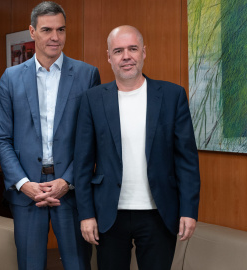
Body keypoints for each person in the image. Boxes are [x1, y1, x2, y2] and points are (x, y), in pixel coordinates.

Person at [74, 25, 201, 270]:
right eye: (118, 51)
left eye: (133, 49)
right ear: (109, 57)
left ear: (144, 52)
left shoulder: (172, 96)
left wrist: (189, 210)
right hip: (108, 215)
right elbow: (82, 163)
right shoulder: (92, 99)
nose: (126, 56)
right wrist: (86, 214)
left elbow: (186, 160)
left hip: (159, 214)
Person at [0, 2, 101, 269]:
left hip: (71, 191)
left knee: (78, 264)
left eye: (61, 29)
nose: (55, 37)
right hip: (27, 192)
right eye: (47, 30)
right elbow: (1, 138)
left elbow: (95, 139)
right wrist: (23, 183)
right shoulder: (11, 77)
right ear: (32, 31)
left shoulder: (87, 75)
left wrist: (68, 180)